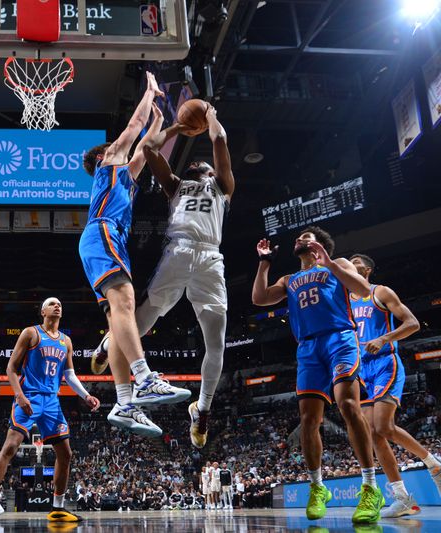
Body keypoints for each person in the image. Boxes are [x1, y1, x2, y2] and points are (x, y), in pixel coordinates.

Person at [92, 104, 233, 448]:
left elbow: (220, 139)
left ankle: (202, 409)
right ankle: (111, 343)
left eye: (203, 164)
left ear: (212, 172)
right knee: (145, 316)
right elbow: (151, 149)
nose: (197, 163)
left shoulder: (223, 186)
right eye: (193, 163)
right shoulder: (175, 186)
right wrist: (177, 126)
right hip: (179, 249)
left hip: (211, 259)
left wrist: (211, 113)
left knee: (216, 342)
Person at [79, 72, 190, 437]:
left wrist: (161, 120)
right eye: (117, 146)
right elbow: (134, 126)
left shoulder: (124, 178)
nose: (123, 147)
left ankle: (125, 403)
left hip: (109, 240)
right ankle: (143, 378)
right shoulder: (108, 161)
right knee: (125, 303)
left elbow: (146, 146)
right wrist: (149, 95)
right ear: (104, 155)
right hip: (103, 235)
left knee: (117, 320)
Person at [252, 227, 383, 523]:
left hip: (340, 340)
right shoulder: (290, 280)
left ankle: (371, 486)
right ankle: (317, 486)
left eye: (306, 236)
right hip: (308, 348)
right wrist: (263, 263)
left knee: (349, 406)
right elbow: (259, 299)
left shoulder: (339, 265)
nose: (299, 239)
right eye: (298, 237)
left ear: (320, 244)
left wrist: (330, 261)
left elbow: (362, 290)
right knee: (309, 420)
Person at [0, 298, 100, 524]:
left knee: (66, 454)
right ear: (43, 311)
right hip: (29, 397)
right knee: (10, 446)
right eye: (51, 303)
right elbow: (11, 368)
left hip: (52, 402)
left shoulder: (66, 341)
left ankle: (58, 508)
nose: (57, 305)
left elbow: (69, 375)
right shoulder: (31, 333)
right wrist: (19, 395)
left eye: (60, 303)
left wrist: (86, 395)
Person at [349, 253, 441, 517]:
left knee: (384, 427)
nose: (349, 269)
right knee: (375, 436)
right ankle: (402, 499)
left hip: (384, 363)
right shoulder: (345, 303)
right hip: (360, 371)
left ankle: (433, 464)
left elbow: (412, 323)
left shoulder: (380, 292)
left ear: (366, 271)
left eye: (355, 265)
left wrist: (385, 338)